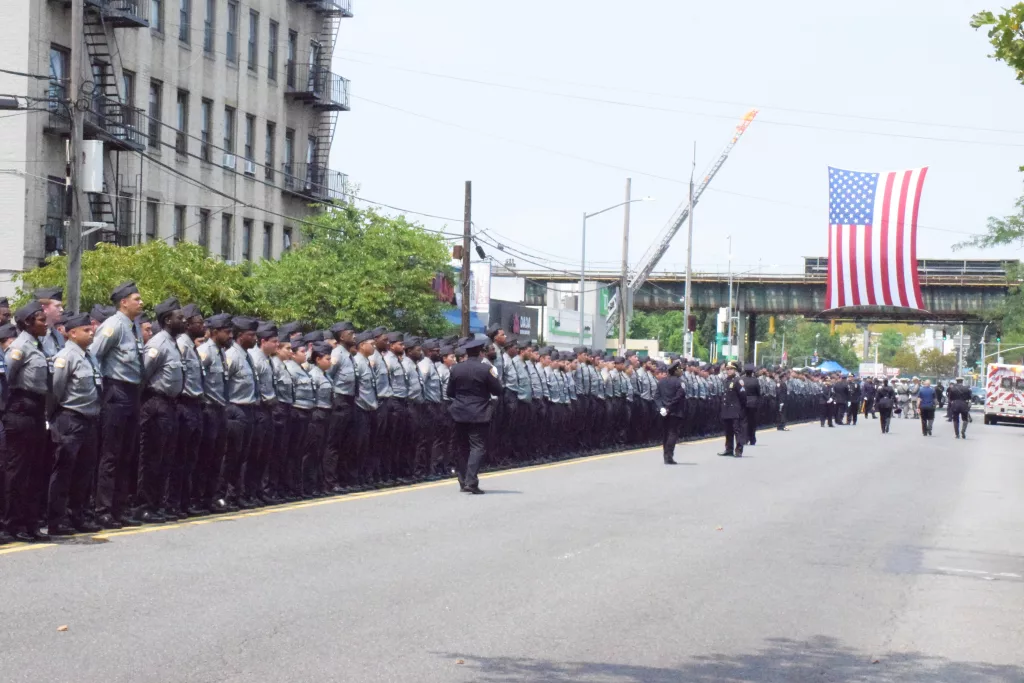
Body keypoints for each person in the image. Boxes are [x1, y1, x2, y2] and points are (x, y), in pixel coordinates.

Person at [90, 281, 145, 529]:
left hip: (132, 392)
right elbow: (94, 355)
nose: (141, 303)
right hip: (116, 390)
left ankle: (119, 508)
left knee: (126, 453)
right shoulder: (113, 325)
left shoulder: (132, 326)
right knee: (111, 455)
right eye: (137, 299)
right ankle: (103, 510)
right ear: (123, 302)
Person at [47, 312, 103, 535]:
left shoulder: (90, 356)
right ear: (71, 333)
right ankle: (56, 520)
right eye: (86, 330)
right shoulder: (66, 357)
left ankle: (77, 515)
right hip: (70, 418)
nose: (92, 333)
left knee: (85, 471)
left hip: (90, 419)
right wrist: (53, 416)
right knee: (64, 470)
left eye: (91, 329)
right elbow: (55, 391)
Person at [2, 302, 52, 542]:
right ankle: (12, 524)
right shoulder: (19, 347)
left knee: (34, 470)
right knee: (17, 471)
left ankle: (31, 523)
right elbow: (7, 380)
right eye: (41, 319)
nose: (46, 323)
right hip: (20, 410)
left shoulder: (38, 346)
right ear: (26, 323)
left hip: (36, 411)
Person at [137, 297, 186, 524]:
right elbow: (143, 375)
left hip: (170, 405)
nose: (183, 321)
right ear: (167, 320)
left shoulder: (172, 342)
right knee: (152, 458)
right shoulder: (157, 344)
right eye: (180, 317)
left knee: (165, 458)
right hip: (156, 404)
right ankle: (146, 506)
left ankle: (158, 504)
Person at [447, 339, 502, 494]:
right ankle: (471, 481)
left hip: (459, 412)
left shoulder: (456, 369)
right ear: (480, 353)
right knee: (477, 447)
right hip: (479, 412)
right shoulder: (486, 369)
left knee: (462, 446)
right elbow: (497, 390)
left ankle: (463, 480)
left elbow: (449, 392)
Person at [655, 361, 686, 465]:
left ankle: (665, 455)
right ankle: (669, 455)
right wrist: (668, 408)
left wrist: (661, 408)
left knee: (665, 434)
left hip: (664, 412)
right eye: (680, 369)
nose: (681, 371)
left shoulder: (661, 382)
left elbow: (657, 397)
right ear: (675, 371)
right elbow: (679, 397)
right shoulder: (679, 382)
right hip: (675, 412)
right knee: (673, 433)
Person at [718, 362, 746, 457]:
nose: (729, 371)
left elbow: (743, 397)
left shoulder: (738, 381)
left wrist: (740, 409)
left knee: (737, 430)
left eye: (731, 369)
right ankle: (728, 449)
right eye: (727, 369)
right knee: (728, 431)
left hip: (735, 410)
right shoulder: (726, 381)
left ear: (735, 370)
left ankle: (738, 449)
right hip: (726, 410)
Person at [740, 364, 760, 444]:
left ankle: (745, 438)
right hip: (753, 402)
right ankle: (752, 439)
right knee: (752, 421)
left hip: (744, 401)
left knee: (744, 421)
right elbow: (758, 392)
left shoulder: (742, 379)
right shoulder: (755, 380)